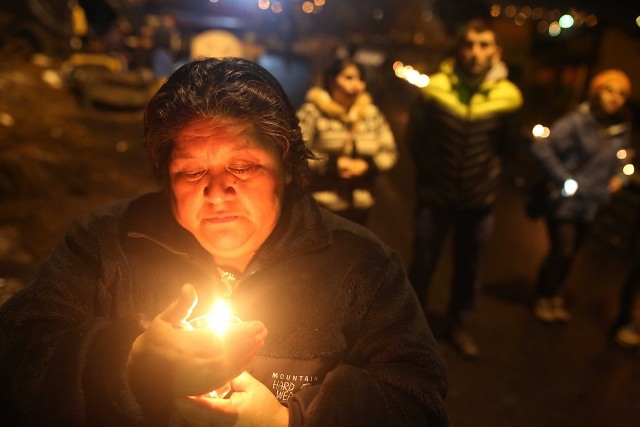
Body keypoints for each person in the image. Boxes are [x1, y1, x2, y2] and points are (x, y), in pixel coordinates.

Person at [0, 57, 448, 426]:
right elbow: (18, 351)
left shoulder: (362, 266)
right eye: (192, 172)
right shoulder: (106, 244)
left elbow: (417, 404)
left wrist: (286, 420)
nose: (217, 192)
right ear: (165, 179)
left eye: (244, 167)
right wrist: (129, 363)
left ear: (287, 164)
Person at [405, 18, 524, 359]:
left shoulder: (509, 96)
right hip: (436, 195)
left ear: (496, 51)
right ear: (459, 49)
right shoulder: (436, 88)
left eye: (484, 44)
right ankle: (409, 328)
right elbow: (416, 138)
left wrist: (489, 181)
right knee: (423, 262)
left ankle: (458, 325)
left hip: (479, 200)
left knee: (469, 268)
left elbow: (509, 148)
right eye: (469, 44)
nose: (476, 52)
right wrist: (428, 175)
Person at [530, 69, 633, 324]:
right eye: (610, 90)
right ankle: (542, 296)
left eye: (622, 93)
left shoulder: (620, 129)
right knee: (562, 250)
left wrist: (619, 180)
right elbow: (542, 147)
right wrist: (565, 179)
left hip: (593, 204)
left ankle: (553, 295)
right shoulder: (577, 121)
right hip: (565, 202)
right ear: (597, 92)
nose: (615, 97)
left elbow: (625, 162)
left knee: (572, 253)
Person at [296, 58, 397, 225]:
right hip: (321, 205)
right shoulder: (312, 112)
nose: (356, 85)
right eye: (349, 78)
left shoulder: (371, 114)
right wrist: (332, 165)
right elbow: (296, 152)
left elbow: (390, 150)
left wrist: (369, 165)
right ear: (331, 80)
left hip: (361, 205)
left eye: (360, 79)